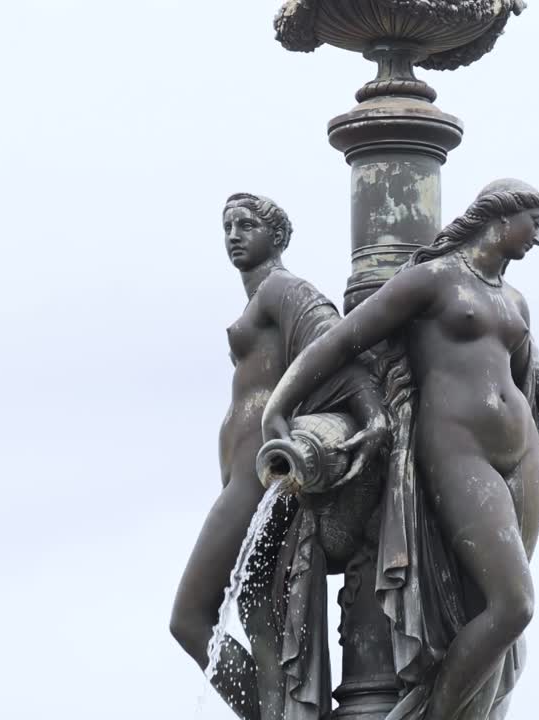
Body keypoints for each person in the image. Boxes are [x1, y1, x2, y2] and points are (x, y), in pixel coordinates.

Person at [262, 179, 539, 719]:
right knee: (514, 605)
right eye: (536, 224)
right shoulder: (432, 281)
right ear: (500, 219)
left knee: (492, 614)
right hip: (459, 453)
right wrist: (278, 406)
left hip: (521, 457)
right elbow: (342, 340)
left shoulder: (513, 300)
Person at [169, 193, 388, 720]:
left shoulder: (281, 288)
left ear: (277, 237)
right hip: (244, 480)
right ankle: (283, 709)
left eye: (247, 224)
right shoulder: (257, 301)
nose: (234, 235)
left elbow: (335, 345)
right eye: (227, 226)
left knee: (190, 619)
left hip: (258, 478)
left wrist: (372, 412)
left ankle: (279, 714)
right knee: (257, 616)